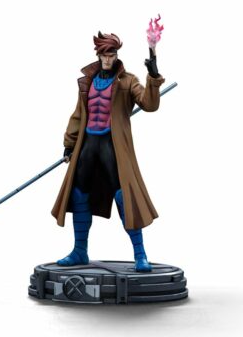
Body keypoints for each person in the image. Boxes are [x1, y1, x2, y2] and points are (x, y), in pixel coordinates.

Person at [51, 32, 165, 272]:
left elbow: (149, 104)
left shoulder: (127, 81)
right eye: (104, 54)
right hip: (88, 146)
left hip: (111, 146)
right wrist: (70, 143)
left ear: (116, 56)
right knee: (79, 194)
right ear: (98, 55)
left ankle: (140, 254)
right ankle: (79, 251)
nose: (107, 59)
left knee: (124, 197)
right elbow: (79, 114)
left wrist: (153, 76)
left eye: (111, 54)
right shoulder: (88, 81)